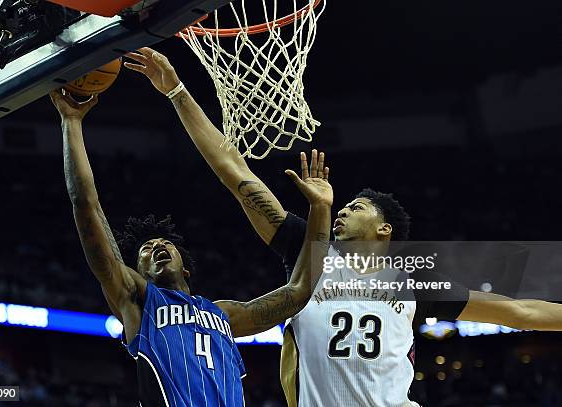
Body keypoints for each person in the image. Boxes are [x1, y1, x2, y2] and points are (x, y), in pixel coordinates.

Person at [124, 47, 562, 407]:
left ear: (385, 229)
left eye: (356, 207)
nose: (342, 211)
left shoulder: (413, 280)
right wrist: (178, 91)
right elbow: (236, 174)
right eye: (343, 205)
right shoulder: (307, 254)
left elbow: (517, 312)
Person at [49, 88, 333, 407]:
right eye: (146, 249)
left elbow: (300, 290)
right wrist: (71, 121)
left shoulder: (224, 313)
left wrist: (320, 208)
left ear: (185, 266)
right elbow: (86, 205)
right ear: (138, 271)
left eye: (165, 242)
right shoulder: (137, 301)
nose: (157, 245)